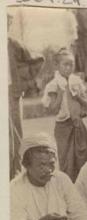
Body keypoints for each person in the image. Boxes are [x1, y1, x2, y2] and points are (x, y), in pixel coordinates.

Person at [41, 48, 87, 182]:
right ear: (57, 66)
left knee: (84, 156)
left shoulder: (76, 81)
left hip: (78, 124)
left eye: (71, 64)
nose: (68, 68)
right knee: (67, 159)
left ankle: (86, 183)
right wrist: (60, 94)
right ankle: (69, 185)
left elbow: (86, 103)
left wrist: (78, 97)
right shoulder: (53, 85)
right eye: (65, 64)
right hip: (63, 127)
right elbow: (53, 109)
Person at [8, 12, 44, 180]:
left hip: (10, 93)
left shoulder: (13, 44)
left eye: (7, 22)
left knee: (14, 132)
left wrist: (26, 82)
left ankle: (13, 171)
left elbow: (37, 60)